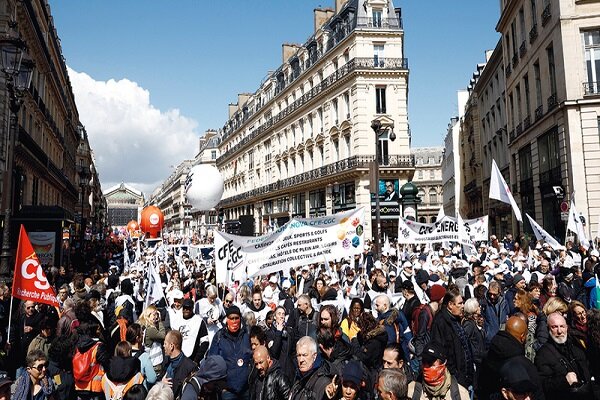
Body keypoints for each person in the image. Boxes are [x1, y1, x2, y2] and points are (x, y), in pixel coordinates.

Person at [477, 316, 544, 400]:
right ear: (523, 336)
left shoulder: (488, 355)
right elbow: (537, 394)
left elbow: (481, 388)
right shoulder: (525, 364)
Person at [534, 312, 593, 400]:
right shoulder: (543, 354)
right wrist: (564, 381)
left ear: (566, 327)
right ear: (548, 329)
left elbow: (589, 367)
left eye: (562, 326)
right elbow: (543, 384)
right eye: (554, 327)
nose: (559, 331)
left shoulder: (576, 345)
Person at [430, 286, 474, 389]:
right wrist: (455, 375)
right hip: (455, 380)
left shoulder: (455, 319)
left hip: (465, 377)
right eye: (460, 303)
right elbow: (441, 353)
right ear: (450, 304)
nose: (463, 306)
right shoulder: (440, 322)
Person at [207, 305, 252, 399]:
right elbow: (212, 361)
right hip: (227, 390)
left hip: (246, 389)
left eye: (236, 318)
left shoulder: (247, 334)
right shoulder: (219, 336)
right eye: (232, 318)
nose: (234, 321)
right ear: (227, 320)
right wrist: (220, 386)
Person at [170, 298, 209, 364]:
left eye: (189, 308)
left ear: (192, 308)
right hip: (178, 357)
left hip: (192, 358)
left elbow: (205, 342)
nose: (186, 310)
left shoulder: (199, 321)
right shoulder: (176, 320)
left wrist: (197, 360)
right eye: (184, 308)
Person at [160, 330, 197, 398]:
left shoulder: (190, 367)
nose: (163, 346)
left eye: (165, 343)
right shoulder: (166, 362)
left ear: (171, 346)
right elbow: (159, 379)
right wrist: (161, 383)